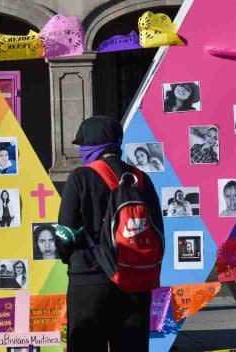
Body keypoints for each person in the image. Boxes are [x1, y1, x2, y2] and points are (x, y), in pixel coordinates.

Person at [59, 115, 163, 352]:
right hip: (135, 281)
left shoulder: (80, 177)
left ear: (92, 145)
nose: (82, 150)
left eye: (83, 145)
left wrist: (68, 256)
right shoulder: (140, 179)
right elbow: (158, 229)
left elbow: (65, 233)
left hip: (89, 282)